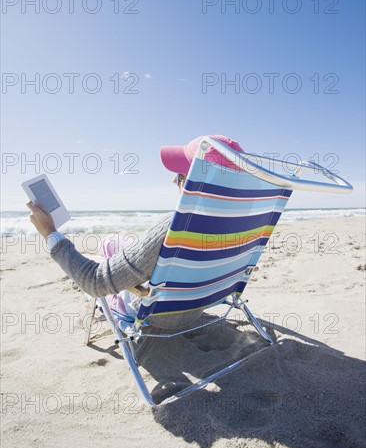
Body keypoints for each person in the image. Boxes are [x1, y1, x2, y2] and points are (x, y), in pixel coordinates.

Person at [27, 135, 245, 329]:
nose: (173, 179)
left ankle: (111, 284)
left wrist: (50, 232)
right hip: (199, 303)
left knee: (100, 272)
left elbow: (94, 281)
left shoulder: (177, 227)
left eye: (180, 174)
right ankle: (110, 260)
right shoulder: (245, 223)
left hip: (162, 315)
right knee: (112, 242)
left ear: (196, 182)